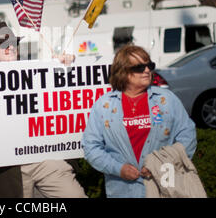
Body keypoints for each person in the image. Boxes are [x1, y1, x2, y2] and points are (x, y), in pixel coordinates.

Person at [0, 21, 87, 198]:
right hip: (10, 169)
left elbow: (67, 84)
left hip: (46, 159)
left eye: (13, 43)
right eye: (2, 45)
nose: (10, 48)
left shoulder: (36, 74)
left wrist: (68, 65)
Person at [81, 44, 197, 198]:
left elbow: (187, 135)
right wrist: (118, 169)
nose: (147, 70)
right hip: (122, 191)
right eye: (139, 67)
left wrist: (162, 164)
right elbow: (91, 147)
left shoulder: (166, 99)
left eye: (149, 65)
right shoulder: (103, 105)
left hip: (165, 188)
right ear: (122, 72)